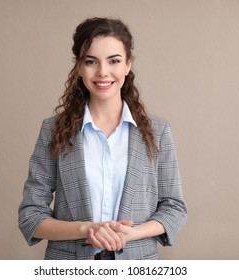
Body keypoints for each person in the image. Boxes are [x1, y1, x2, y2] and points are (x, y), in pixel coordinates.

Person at [18, 17, 187, 260]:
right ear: (79, 66)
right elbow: (31, 215)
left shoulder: (157, 132)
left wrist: (129, 234)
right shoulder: (53, 130)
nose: (102, 72)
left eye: (114, 61)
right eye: (91, 61)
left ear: (127, 65)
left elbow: (174, 208)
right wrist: (86, 229)